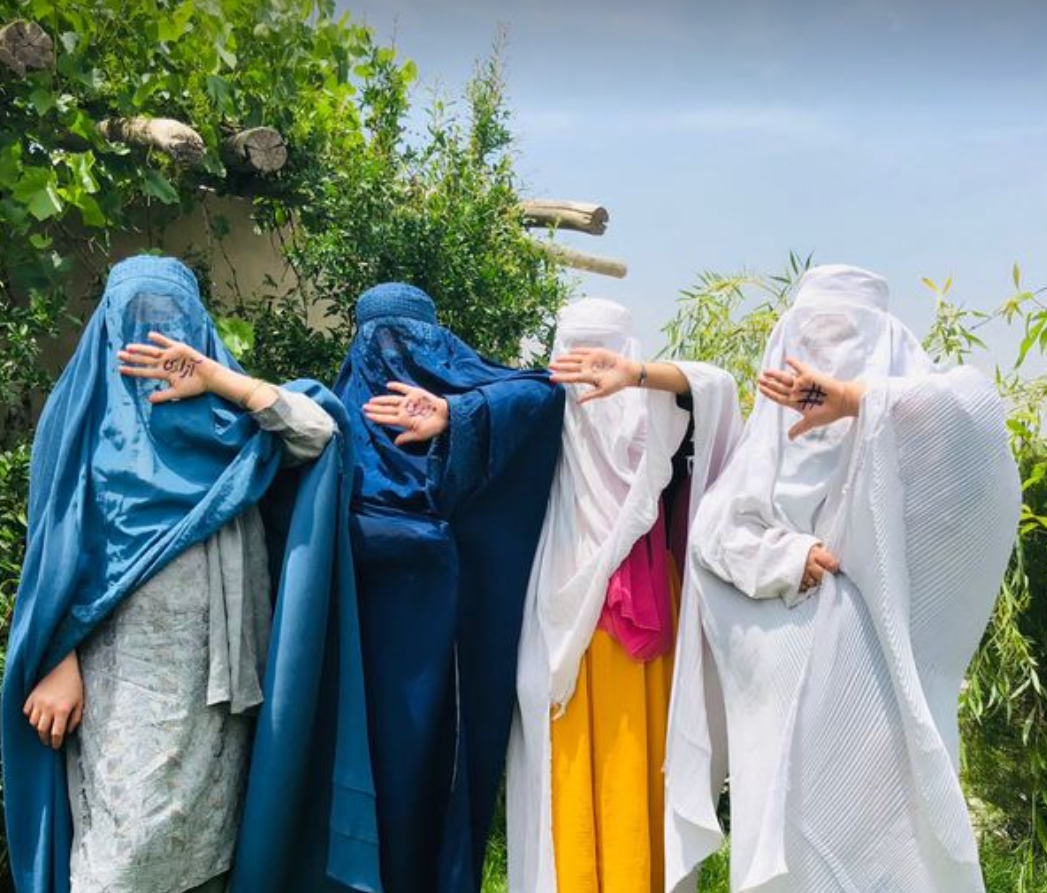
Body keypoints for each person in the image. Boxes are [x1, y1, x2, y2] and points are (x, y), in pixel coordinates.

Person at [2, 256, 380, 893]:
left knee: (211, 854)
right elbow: (52, 559)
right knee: (122, 858)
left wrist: (219, 381)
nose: (154, 341)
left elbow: (318, 433)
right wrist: (56, 659)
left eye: (171, 321)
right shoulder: (79, 424)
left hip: (222, 684)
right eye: (136, 320)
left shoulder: (231, 424)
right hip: (120, 684)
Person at [668, 264, 1021, 892]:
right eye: (810, 338)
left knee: (884, 846)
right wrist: (788, 558)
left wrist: (859, 400)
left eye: (849, 340)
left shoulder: (918, 426)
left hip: (880, 685)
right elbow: (717, 538)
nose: (820, 364)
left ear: (886, 351)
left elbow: (973, 419)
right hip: (776, 702)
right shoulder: (759, 459)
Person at [333, 282, 565, 893]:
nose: (392, 354)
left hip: (450, 650)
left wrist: (452, 417)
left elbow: (544, 393)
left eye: (408, 338)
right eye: (378, 338)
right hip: (358, 651)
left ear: (437, 341)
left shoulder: (467, 397)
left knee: (433, 782)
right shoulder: (337, 417)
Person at [506, 297, 740, 893]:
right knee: (587, 767)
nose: (587, 372)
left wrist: (636, 378)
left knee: (630, 763)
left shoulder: (650, 414)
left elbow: (717, 387)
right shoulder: (541, 407)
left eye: (599, 353)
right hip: (568, 616)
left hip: (627, 614)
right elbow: (481, 405)